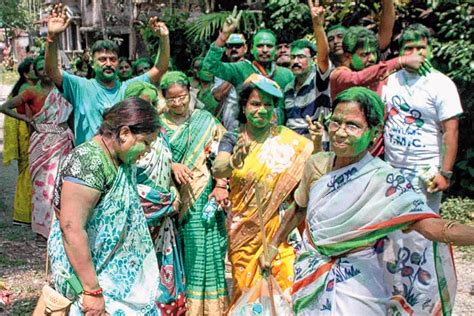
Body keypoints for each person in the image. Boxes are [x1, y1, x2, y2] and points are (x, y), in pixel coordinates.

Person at [262, 87, 474, 315]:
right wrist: (273, 245)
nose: (340, 132)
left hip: (358, 281)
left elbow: (428, 225)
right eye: (336, 122)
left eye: (352, 125)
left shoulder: (385, 179)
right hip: (310, 271)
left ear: (375, 132)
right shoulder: (316, 165)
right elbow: (298, 209)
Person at [48, 97, 162, 315]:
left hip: (114, 278)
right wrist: (92, 291)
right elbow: (71, 228)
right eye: (146, 142)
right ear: (125, 133)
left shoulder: (119, 160)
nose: (147, 150)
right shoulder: (87, 162)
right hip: (91, 279)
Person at [212, 74, 313, 308]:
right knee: (246, 294)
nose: (262, 110)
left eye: (268, 104)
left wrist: (317, 143)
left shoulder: (290, 141)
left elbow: (313, 167)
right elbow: (218, 169)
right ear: (244, 107)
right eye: (256, 104)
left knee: (285, 291)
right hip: (243, 233)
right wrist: (235, 161)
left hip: (281, 231)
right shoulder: (233, 137)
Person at [45, 3, 170, 145]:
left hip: (120, 163)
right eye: (102, 59)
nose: (108, 63)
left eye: (113, 59)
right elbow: (52, 71)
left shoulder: (128, 88)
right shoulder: (80, 86)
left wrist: (164, 38)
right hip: (89, 161)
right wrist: (52, 38)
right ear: (92, 63)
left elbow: (160, 69)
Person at [159, 71, 229, 315]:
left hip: (204, 195)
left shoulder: (204, 119)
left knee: (208, 249)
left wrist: (221, 183)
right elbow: (147, 157)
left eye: (182, 97)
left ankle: (210, 308)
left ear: (190, 93)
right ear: (163, 98)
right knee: (183, 254)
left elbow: (224, 148)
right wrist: (171, 165)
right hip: (174, 202)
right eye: (172, 99)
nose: (178, 103)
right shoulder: (158, 125)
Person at [383, 23, 463, 213]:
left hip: (425, 172)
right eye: (408, 48)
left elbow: (451, 132)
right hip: (391, 167)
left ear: (430, 50)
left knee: (420, 231)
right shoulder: (390, 80)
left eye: (421, 48)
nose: (415, 53)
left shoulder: (442, 84)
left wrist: (444, 174)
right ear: (401, 52)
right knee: (392, 228)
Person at [124, 86, 187, 315]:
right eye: (141, 104)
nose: (147, 109)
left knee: (165, 277)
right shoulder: (126, 142)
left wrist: (174, 194)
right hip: (137, 224)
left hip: (164, 221)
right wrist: (157, 201)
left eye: (151, 103)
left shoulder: (160, 134)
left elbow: (166, 171)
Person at [1, 56, 74, 240]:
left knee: (62, 185)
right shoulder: (31, 92)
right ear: (35, 72)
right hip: (40, 143)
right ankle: (42, 233)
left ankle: (61, 228)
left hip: (63, 142)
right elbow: (5, 107)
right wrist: (26, 119)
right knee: (42, 189)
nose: (44, 72)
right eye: (40, 69)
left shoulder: (66, 91)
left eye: (46, 68)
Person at [202, 7, 294, 124]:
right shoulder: (241, 68)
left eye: (269, 46)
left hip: (277, 137)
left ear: (275, 49)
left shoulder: (286, 74)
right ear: (251, 49)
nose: (265, 50)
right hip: (247, 135)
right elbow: (210, 65)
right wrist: (223, 37)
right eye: (260, 46)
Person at [284, 0, 330, 137]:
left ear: (313, 60)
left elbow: (324, 56)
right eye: (293, 57)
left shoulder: (320, 81)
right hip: (292, 148)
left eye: (300, 57)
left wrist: (318, 25)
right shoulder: (287, 88)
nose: (295, 61)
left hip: (316, 146)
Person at [2, 57, 37, 226]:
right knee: (27, 172)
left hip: (25, 132)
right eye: (33, 69)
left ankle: (24, 213)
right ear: (25, 73)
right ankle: (24, 214)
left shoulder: (24, 88)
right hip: (26, 133)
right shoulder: (27, 89)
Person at [327, 0, 395, 67]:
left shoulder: (369, 53)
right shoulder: (328, 67)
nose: (335, 41)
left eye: (340, 36)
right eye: (330, 39)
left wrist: (387, 2)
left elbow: (385, 32)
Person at [211, 33, 248, 131]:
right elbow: (218, 95)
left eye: (238, 46)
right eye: (230, 46)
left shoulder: (252, 68)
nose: (234, 49)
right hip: (229, 128)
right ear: (226, 51)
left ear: (245, 48)